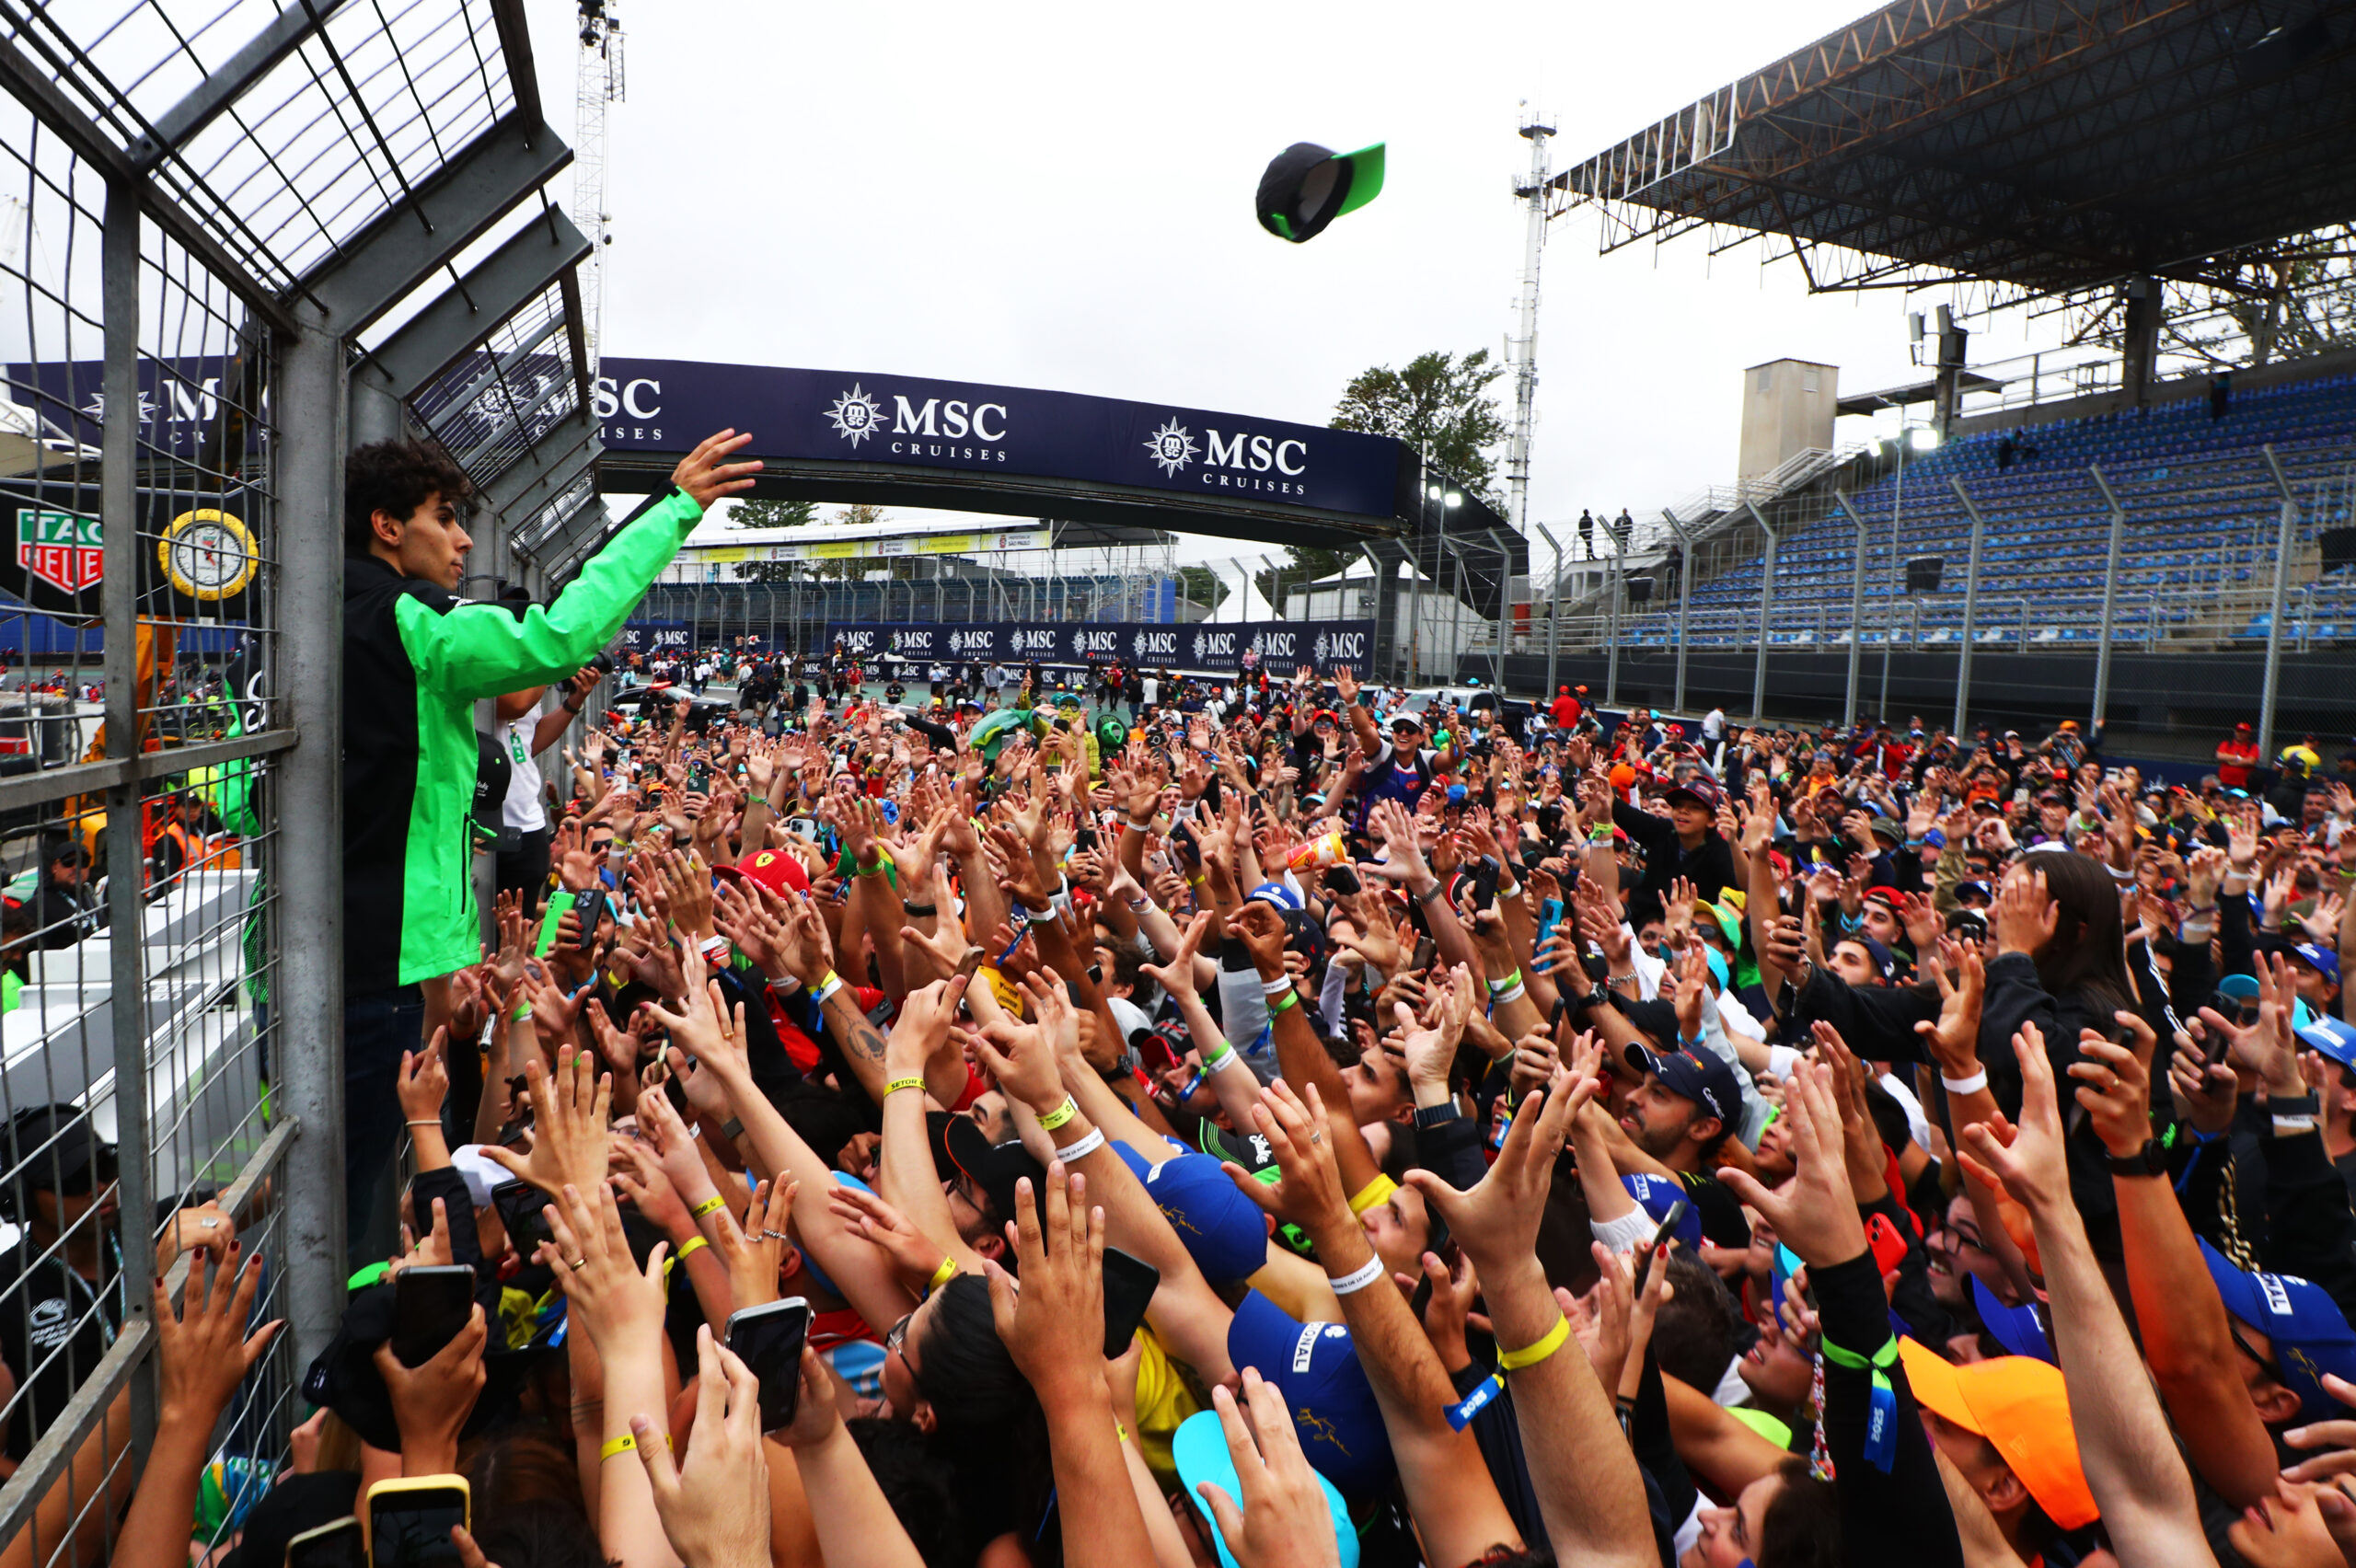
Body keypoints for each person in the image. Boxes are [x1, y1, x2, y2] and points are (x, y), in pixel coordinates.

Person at [338, 429, 756, 1258]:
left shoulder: (327, 617)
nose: (462, 541)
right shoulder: (404, 620)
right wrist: (675, 510)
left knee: (378, 1164)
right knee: (365, 1182)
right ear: (387, 527)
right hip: (376, 954)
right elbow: (556, 639)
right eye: (445, 519)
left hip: (359, 940)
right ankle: (366, 1338)